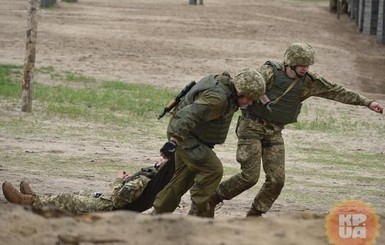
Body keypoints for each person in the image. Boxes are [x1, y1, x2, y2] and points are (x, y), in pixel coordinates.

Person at [208, 42, 384, 218]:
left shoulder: (309, 82)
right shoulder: (269, 72)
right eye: (302, 65)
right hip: (251, 126)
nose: (305, 69)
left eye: (307, 65)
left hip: (274, 131)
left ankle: (255, 215)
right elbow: (245, 87)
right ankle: (212, 200)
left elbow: (336, 91)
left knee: (277, 180)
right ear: (290, 63)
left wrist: (367, 102)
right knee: (250, 177)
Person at [152, 68, 266, 217]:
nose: (250, 103)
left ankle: (157, 216)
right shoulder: (218, 100)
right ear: (240, 91)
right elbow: (187, 115)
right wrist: (173, 141)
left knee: (181, 180)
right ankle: (201, 212)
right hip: (185, 136)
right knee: (213, 169)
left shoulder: (226, 87)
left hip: (190, 135)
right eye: (249, 98)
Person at [2, 156, 175, 215]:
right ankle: (37, 199)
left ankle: (28, 202)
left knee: (68, 199)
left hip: (108, 207)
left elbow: (118, 199)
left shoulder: (144, 180)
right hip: (108, 202)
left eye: (162, 159)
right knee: (76, 194)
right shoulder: (151, 179)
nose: (159, 158)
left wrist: (119, 180)